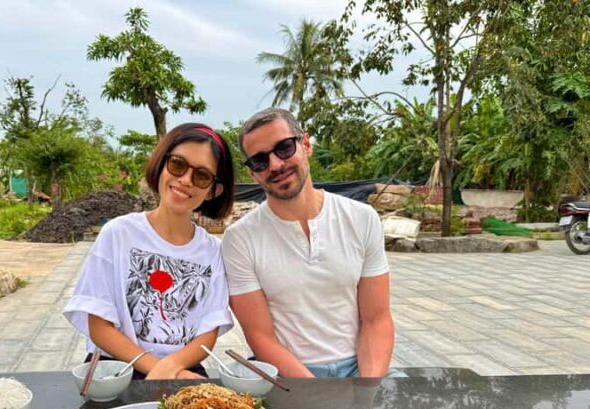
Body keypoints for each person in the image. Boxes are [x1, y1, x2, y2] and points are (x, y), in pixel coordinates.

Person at [221, 108, 395, 378]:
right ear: (252, 173)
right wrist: (315, 392)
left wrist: (367, 388)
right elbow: (261, 337)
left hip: (359, 368)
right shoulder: (240, 239)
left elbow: (376, 319)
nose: (275, 165)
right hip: (286, 375)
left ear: (306, 144)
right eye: (259, 161)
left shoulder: (361, 218)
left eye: (284, 148)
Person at [63, 123, 235, 379]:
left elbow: (208, 332)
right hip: (117, 369)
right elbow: (98, 324)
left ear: (213, 190)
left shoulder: (212, 251)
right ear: (162, 163)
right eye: (177, 164)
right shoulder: (118, 234)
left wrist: (171, 368)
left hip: (182, 367)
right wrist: (160, 370)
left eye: (201, 176)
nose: (185, 180)